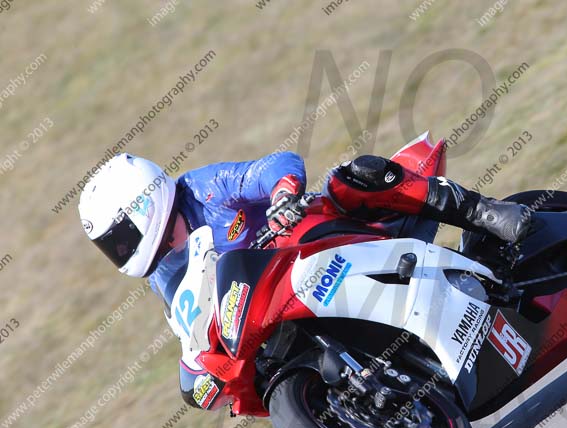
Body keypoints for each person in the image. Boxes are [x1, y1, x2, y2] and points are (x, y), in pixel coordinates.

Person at [78, 151, 531, 410]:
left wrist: (281, 198)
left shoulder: (202, 191)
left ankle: (481, 212)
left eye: (119, 238)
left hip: (313, 238)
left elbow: (273, 167)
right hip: (273, 307)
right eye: (111, 247)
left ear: (142, 205)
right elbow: (189, 322)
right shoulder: (162, 274)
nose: (120, 251)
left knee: (354, 176)